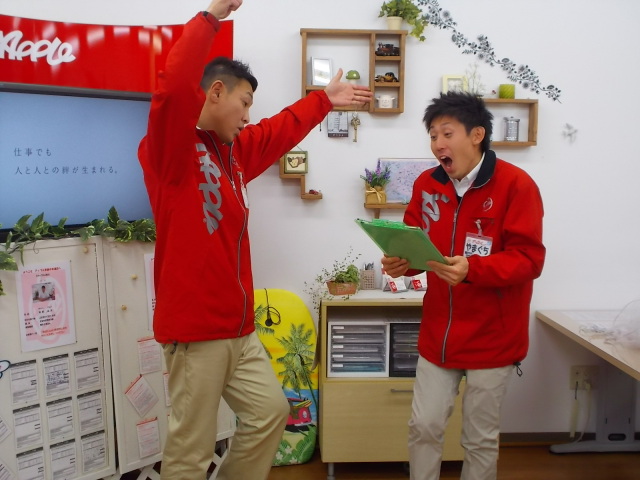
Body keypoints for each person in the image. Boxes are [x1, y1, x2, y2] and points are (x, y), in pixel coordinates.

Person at [137, 1, 372, 479]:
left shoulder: (235, 155)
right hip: (196, 332)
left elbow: (278, 131)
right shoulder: (171, 149)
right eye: (244, 103)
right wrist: (211, 16)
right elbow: (172, 89)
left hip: (238, 329)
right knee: (190, 451)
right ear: (216, 92)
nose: (249, 115)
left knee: (270, 414)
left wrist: (324, 99)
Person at [381, 91, 545, 480]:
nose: (438, 143)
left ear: (476, 135)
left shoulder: (517, 185)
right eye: (433, 135)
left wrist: (474, 269)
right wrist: (400, 263)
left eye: (446, 133)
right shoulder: (427, 184)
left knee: (479, 438)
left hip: (494, 337)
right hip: (439, 333)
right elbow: (413, 240)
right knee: (423, 427)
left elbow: (529, 259)